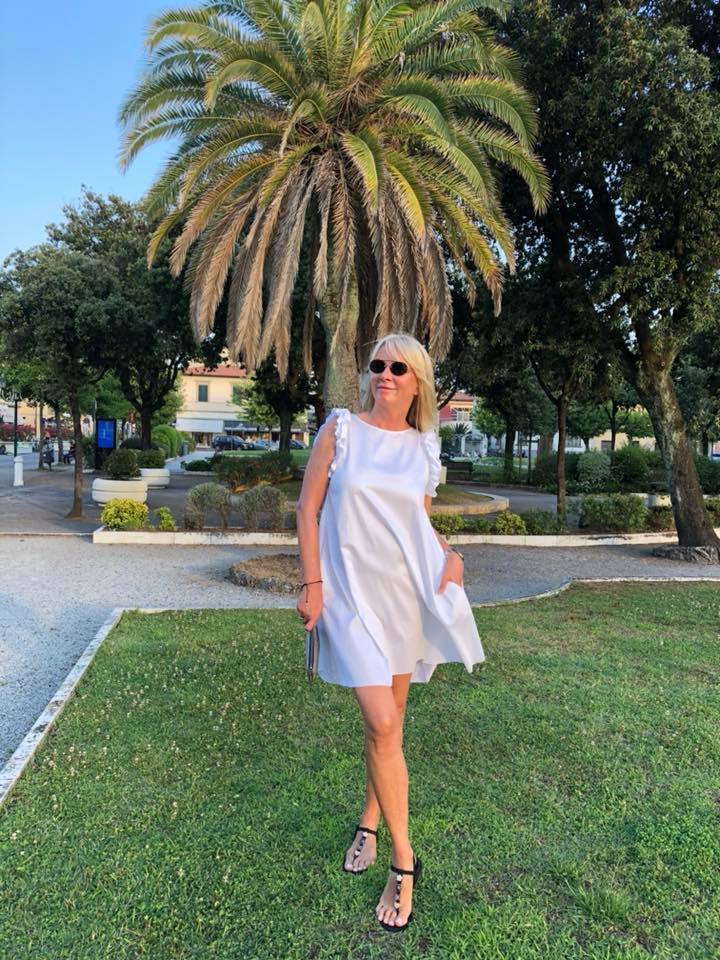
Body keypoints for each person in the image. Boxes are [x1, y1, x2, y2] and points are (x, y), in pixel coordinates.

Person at [295, 333, 485, 933]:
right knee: (380, 722)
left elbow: (417, 523)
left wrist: (451, 555)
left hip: (403, 596)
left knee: (390, 726)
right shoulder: (341, 430)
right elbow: (306, 509)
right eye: (378, 364)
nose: (385, 373)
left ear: (418, 381)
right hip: (349, 597)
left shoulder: (424, 447)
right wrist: (312, 583)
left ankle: (369, 822)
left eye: (399, 367)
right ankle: (405, 864)